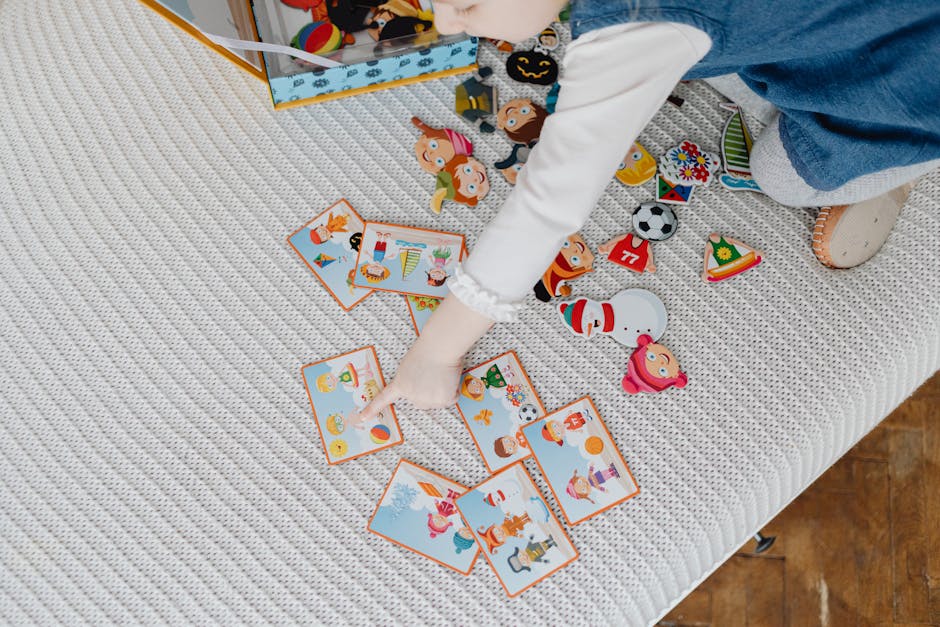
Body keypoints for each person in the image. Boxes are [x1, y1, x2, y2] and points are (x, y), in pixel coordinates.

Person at [358, 0, 940, 419]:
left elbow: (546, 206)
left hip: (907, 79)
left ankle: (894, 166)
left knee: (780, 175)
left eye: (467, 7)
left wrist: (435, 353)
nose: (444, 22)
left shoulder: (634, 25)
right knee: (716, 53)